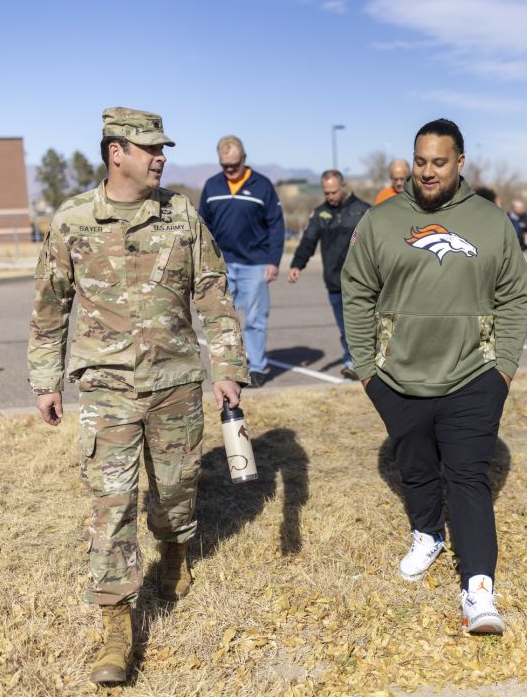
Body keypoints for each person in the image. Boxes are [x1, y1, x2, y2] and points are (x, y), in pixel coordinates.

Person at [28, 108, 249, 684]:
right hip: (107, 388)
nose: (161, 158)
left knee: (175, 490)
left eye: (163, 149)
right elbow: (51, 306)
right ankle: (116, 625)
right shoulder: (74, 220)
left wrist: (227, 365)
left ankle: (175, 551)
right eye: (149, 148)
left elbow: (213, 293)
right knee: (112, 502)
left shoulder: (181, 215)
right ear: (115, 152)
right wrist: (45, 380)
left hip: (175, 381)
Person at [342, 118, 527, 635]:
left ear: (460, 163)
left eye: (439, 162)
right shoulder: (381, 221)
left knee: (469, 475)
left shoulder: (492, 222)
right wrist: (366, 369)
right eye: (420, 161)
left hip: (475, 375)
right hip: (397, 376)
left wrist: (504, 368)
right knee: (417, 465)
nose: (427, 171)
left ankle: (479, 590)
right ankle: (428, 531)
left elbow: (514, 296)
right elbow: (356, 292)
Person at [198, 135, 284, 387]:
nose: (230, 170)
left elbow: (276, 225)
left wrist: (273, 260)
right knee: (221, 319)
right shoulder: (212, 186)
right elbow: (203, 225)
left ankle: (257, 367)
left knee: (255, 319)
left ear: (244, 159)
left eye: (234, 165)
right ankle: (229, 369)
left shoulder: (262, 185)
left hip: (255, 264)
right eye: (225, 166)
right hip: (221, 265)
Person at [287, 169, 370, 379]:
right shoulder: (320, 214)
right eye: (326, 193)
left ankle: (368, 362)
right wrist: (297, 265)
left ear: (343, 186)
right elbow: (308, 241)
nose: (330, 197)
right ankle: (351, 362)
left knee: (365, 325)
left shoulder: (363, 211)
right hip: (334, 283)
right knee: (345, 328)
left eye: (333, 192)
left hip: (362, 283)